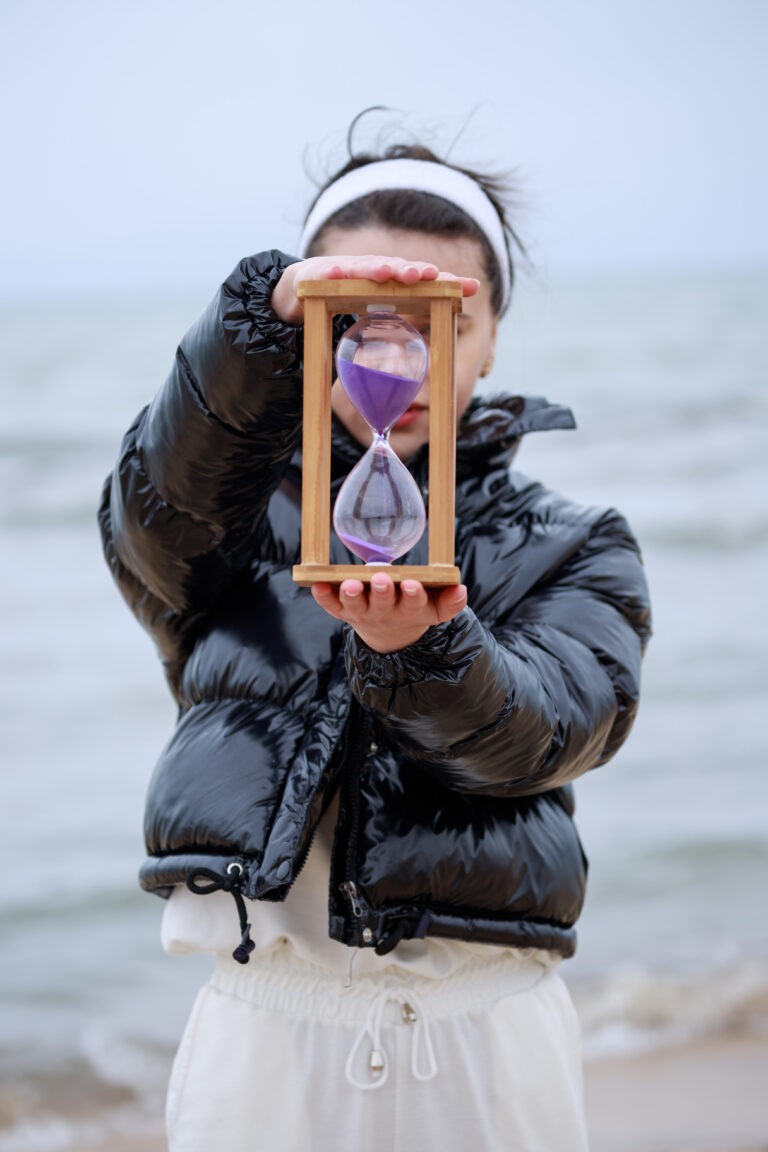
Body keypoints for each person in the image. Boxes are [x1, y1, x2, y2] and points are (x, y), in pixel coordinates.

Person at [99, 126, 651, 1151]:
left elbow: (550, 729)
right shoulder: (239, 514)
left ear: (489, 338)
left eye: (441, 321)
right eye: (357, 323)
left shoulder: (577, 543)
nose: (395, 354)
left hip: (481, 1028)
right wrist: (251, 326)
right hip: (268, 1022)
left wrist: (427, 655)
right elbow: (152, 523)